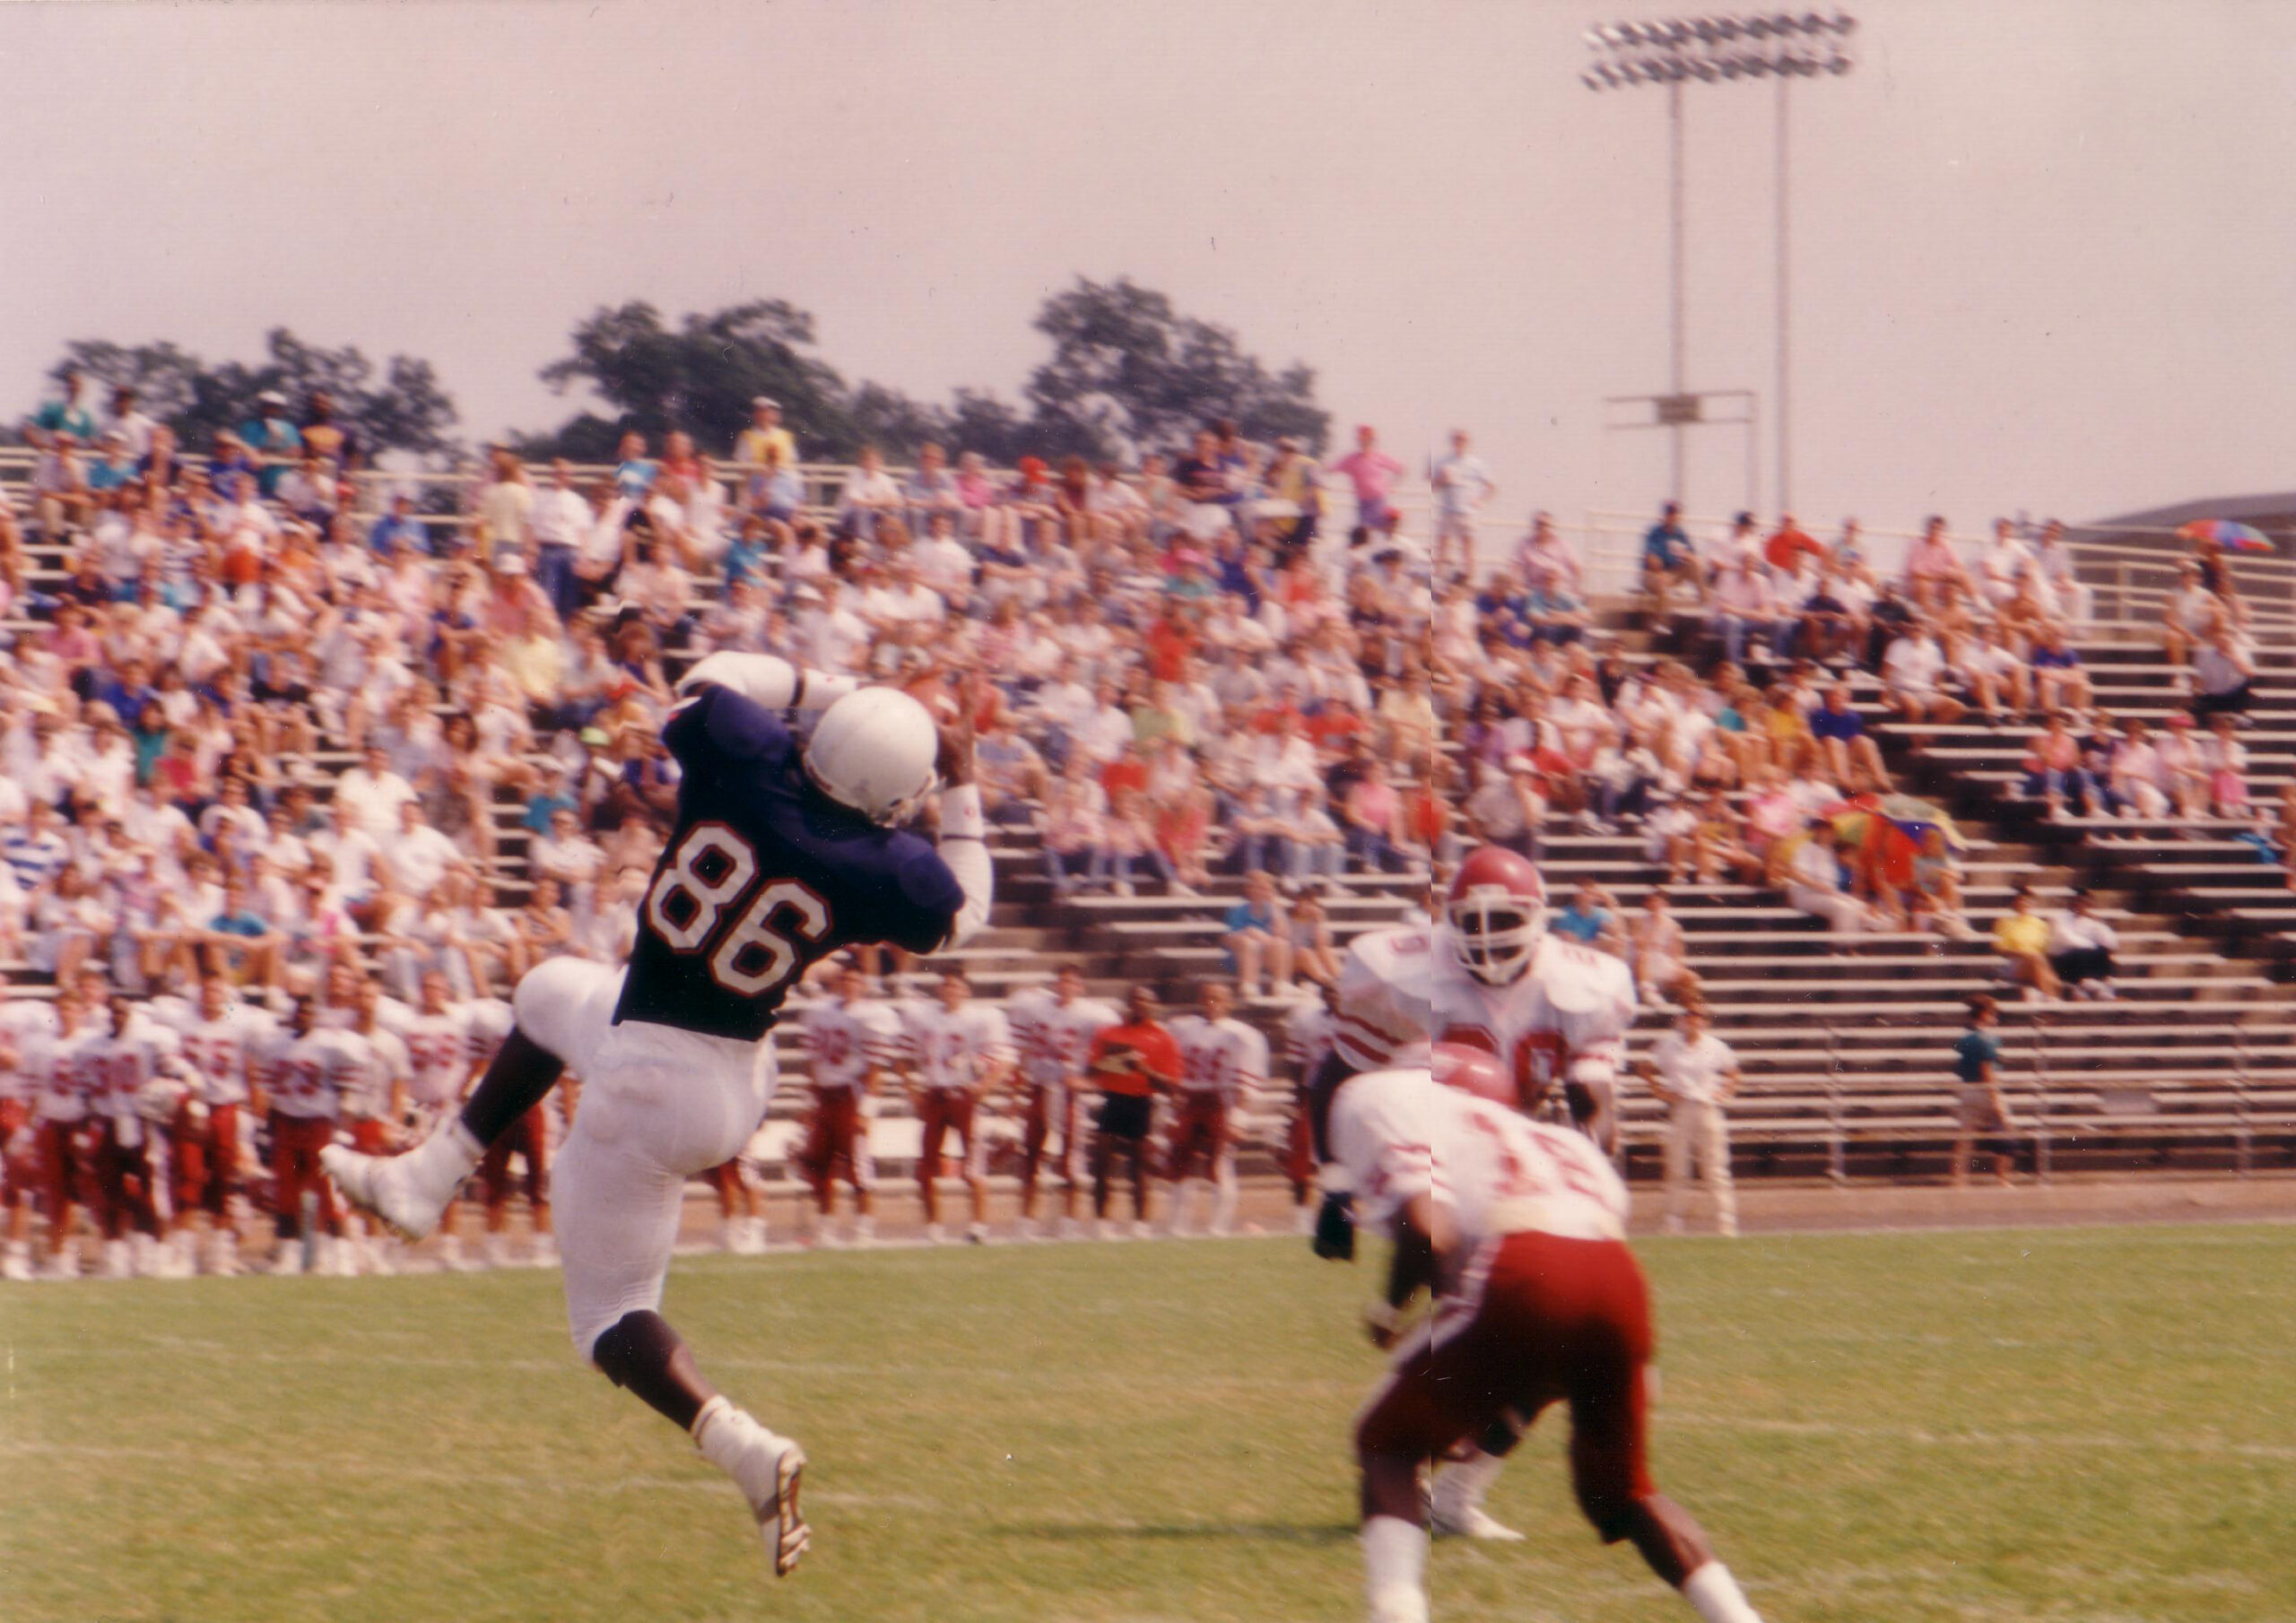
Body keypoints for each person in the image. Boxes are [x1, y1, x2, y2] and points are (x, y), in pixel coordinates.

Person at [325, 651, 994, 1579]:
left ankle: (741, 1446)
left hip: (651, 1076)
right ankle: (421, 1179)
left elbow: (711, 674)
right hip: (732, 1074)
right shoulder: (888, 863)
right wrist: (961, 787)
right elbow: (966, 917)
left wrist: (839, 693)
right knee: (553, 989)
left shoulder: (745, 754)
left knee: (607, 1317)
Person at [1330, 1046, 1770, 1623]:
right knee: (1627, 1491)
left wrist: (1389, 1312)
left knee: (1388, 1442)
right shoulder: (1561, 1142)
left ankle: (1395, 1614)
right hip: (1617, 1278)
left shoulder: (1398, 1104)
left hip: (1524, 1263)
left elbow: (1427, 1230)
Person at [1004, 965, 1118, 1239]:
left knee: (1071, 1158)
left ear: (1080, 987)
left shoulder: (1095, 1015)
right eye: (1062, 981)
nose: (1066, 986)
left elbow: (1117, 1057)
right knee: (1031, 1153)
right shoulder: (1033, 1006)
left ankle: (1069, 1220)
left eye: (1072, 982)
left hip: (1069, 1093)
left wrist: (1089, 1082)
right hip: (1040, 1086)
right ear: (1055, 983)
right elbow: (1020, 1051)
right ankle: (1026, 1219)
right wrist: (1015, 1092)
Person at [899, 971, 1012, 1245]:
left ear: (966, 992)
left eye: (956, 986)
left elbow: (1005, 1059)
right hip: (935, 1093)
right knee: (926, 1164)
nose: (950, 990)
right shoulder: (922, 1015)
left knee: (974, 1165)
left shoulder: (981, 1018)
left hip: (963, 1096)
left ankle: (978, 1225)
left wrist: (984, 1086)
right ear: (939, 990)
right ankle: (933, 1226)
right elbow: (901, 1057)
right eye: (946, 985)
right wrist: (912, 1089)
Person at [795, 963, 898, 1247]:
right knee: (820, 1165)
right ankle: (827, 1227)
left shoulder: (872, 1015)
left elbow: (876, 1069)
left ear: (864, 984)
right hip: (825, 1096)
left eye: (855, 980)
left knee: (859, 1166)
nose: (849, 984)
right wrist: (808, 1101)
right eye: (844, 979)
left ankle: (864, 1229)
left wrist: (868, 1110)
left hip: (851, 1096)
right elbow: (813, 1062)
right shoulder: (821, 1011)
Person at [1161, 981, 1269, 1237]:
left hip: (1220, 1099)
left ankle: (1218, 1227)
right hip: (1189, 1097)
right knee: (1180, 1163)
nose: (1212, 1003)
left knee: (1220, 1163)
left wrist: (1240, 1116)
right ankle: (1177, 1226)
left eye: (1218, 999)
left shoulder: (1243, 1035)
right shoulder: (1183, 1028)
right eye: (1207, 998)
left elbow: (1248, 1080)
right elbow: (1172, 1068)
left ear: (1229, 1003)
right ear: (1200, 1000)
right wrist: (1170, 1103)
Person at [1084, 983, 1180, 1239]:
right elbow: (1091, 1071)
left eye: (1146, 1000)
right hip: (1113, 1098)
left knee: (1139, 1166)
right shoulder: (1109, 1033)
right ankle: (1102, 1222)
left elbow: (1170, 1085)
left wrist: (1142, 1068)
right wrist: (1117, 1062)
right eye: (1136, 999)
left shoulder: (1162, 1038)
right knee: (1103, 1163)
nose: (1140, 1004)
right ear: (1129, 1003)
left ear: (1153, 1005)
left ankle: (1141, 1223)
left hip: (1141, 1102)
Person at [1639, 1002, 1742, 1237]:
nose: (1693, 1019)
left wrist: (1724, 1093)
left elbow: (1733, 1072)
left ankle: (1725, 1221)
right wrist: (1658, 1090)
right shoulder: (1668, 1045)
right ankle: (1673, 1222)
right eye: (1689, 1015)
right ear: (1682, 1019)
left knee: (1715, 1167)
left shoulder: (1715, 1046)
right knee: (1677, 1167)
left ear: (1705, 1021)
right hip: (1682, 1107)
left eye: (1698, 1016)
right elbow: (1645, 1067)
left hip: (1707, 1108)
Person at [1951, 994, 2014, 1188]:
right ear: (1985, 1014)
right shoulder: (1988, 1039)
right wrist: (1996, 1101)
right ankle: (2002, 1178)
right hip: (1986, 1090)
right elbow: (1986, 1070)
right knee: (2005, 1132)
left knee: (1965, 1138)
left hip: (1967, 1089)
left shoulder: (1965, 1038)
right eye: (1993, 1013)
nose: (1996, 1018)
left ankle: (1958, 1178)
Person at [1991, 884, 2060, 1002]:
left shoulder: (2040, 924)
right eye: (2021, 900)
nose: (2024, 903)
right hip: (2014, 963)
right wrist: (2025, 955)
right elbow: (2000, 948)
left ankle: (2047, 998)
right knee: (2040, 964)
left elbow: (2043, 950)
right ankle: (2050, 998)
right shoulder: (2004, 922)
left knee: (2051, 976)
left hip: (2037, 962)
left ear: (2033, 903)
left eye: (2028, 901)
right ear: (2015, 903)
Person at [2048, 890, 2119, 1001]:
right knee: (2081, 953)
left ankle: (2105, 991)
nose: (2081, 905)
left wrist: (2098, 921)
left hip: (2082, 961)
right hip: (2060, 962)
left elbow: (2111, 942)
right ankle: (2085, 989)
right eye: (2079, 902)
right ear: (2073, 902)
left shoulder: (2090, 922)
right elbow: (2066, 939)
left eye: (2086, 903)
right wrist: (2091, 948)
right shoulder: (2060, 917)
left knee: (2104, 952)